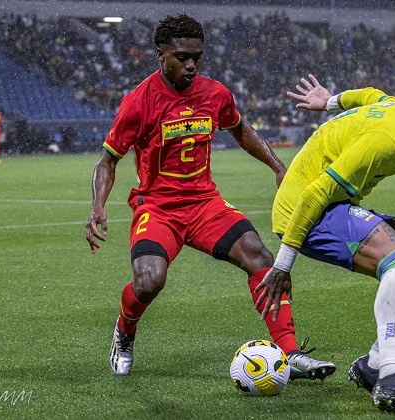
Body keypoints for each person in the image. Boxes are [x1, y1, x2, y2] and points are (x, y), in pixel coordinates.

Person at [85, 14, 335, 381]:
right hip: (158, 208)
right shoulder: (138, 102)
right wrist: (97, 206)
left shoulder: (215, 93)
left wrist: (278, 166)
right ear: (160, 55)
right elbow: (108, 160)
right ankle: (125, 329)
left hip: (205, 205)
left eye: (197, 57)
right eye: (182, 57)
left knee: (261, 257)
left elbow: (241, 129)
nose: (190, 65)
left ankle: (289, 351)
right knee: (148, 282)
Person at [255, 74, 395, 413]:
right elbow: (316, 193)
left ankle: (374, 364)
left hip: (335, 205)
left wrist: (329, 101)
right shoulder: (386, 143)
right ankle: (394, 373)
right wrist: (283, 264)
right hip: (304, 212)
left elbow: (370, 95)